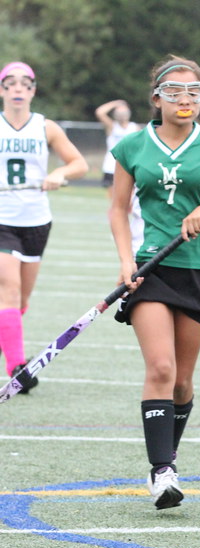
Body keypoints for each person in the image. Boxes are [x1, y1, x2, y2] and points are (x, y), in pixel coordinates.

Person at [108, 55, 200, 510]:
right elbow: (116, 208)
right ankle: (161, 471)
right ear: (156, 98)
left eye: (194, 93)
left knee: (183, 382)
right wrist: (126, 261)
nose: (185, 100)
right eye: (174, 92)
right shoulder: (132, 146)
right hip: (150, 267)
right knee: (161, 369)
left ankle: (169, 453)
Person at [0, 61, 88, 392]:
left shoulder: (45, 128)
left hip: (36, 221)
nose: (18, 88)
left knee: (20, 300)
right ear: (2, 90)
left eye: (26, 83)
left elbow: (79, 163)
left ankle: (7, 343)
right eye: (11, 83)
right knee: (6, 290)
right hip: (2, 220)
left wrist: (58, 174)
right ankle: (18, 368)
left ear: (34, 90)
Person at [95, 99, 140, 198]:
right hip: (111, 165)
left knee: (130, 197)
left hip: (129, 165)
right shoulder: (112, 126)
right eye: (119, 111)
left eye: (123, 111)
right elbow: (100, 112)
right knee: (114, 197)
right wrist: (116, 103)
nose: (122, 114)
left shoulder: (134, 127)